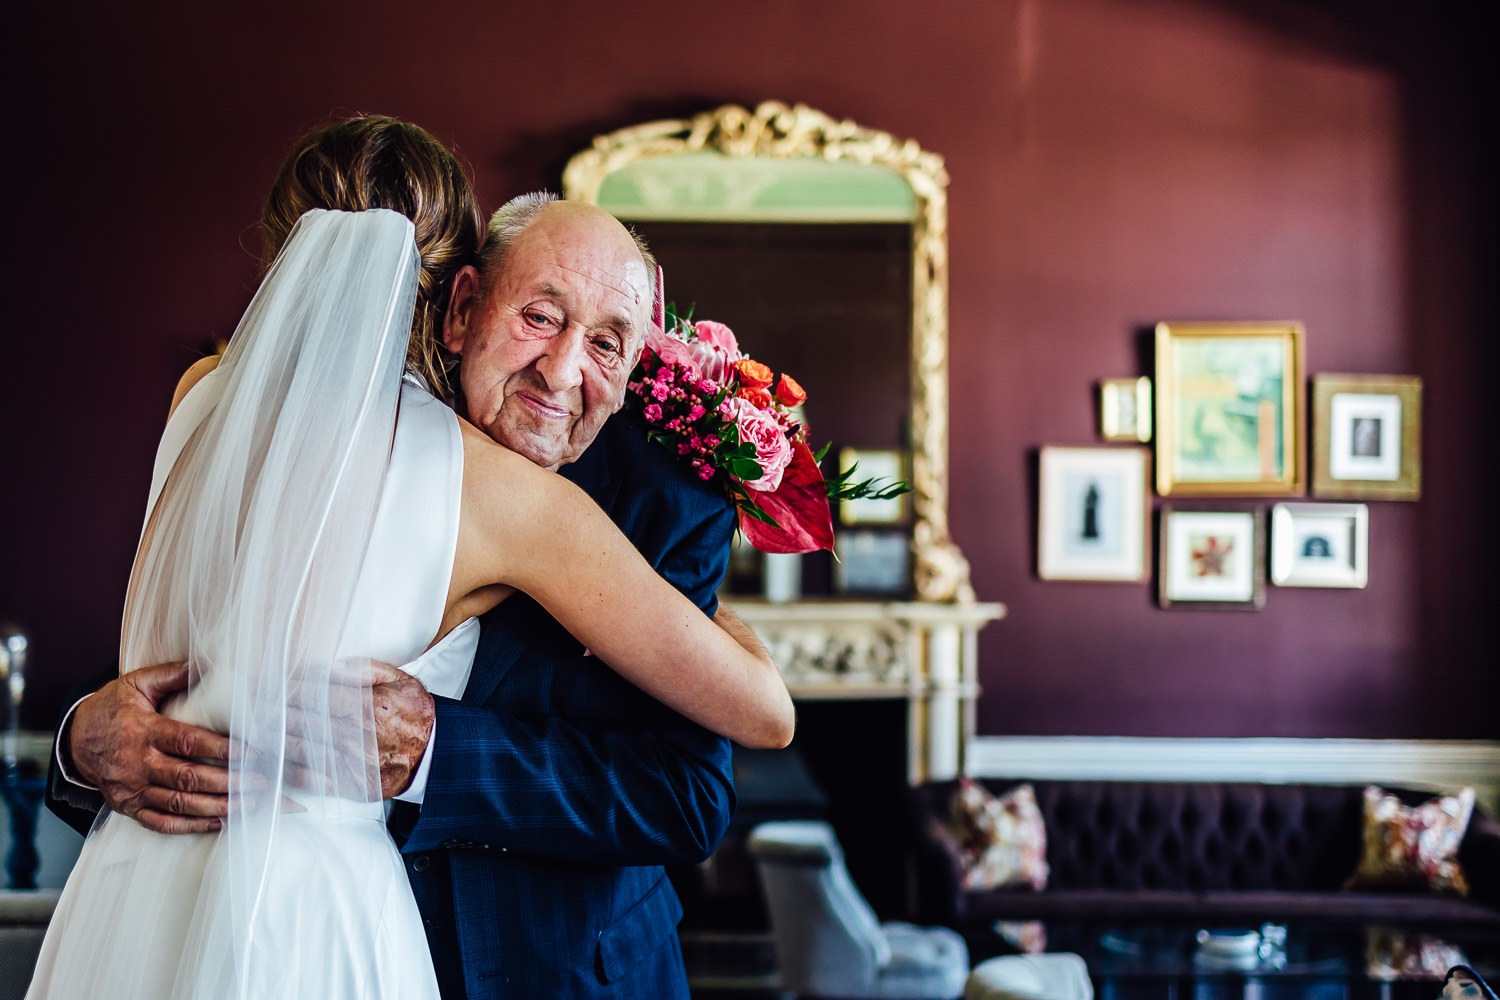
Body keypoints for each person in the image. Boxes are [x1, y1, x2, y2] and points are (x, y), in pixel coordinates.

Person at [31, 116, 792, 999]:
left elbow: (690, 792)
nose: (561, 371)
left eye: (606, 343)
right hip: (306, 927)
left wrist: (440, 751)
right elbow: (205, 653)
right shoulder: (357, 447)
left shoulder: (206, 394)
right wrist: (81, 739)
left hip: (547, 972)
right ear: (462, 306)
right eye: (539, 317)